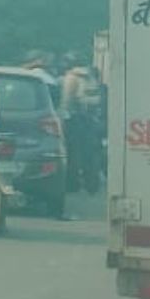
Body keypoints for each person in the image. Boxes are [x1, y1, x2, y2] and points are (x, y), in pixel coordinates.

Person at [60, 53, 102, 194]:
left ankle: (72, 185)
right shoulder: (90, 77)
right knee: (89, 154)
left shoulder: (71, 77)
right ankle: (92, 184)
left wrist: (64, 117)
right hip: (90, 119)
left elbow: (67, 101)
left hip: (74, 119)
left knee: (72, 154)